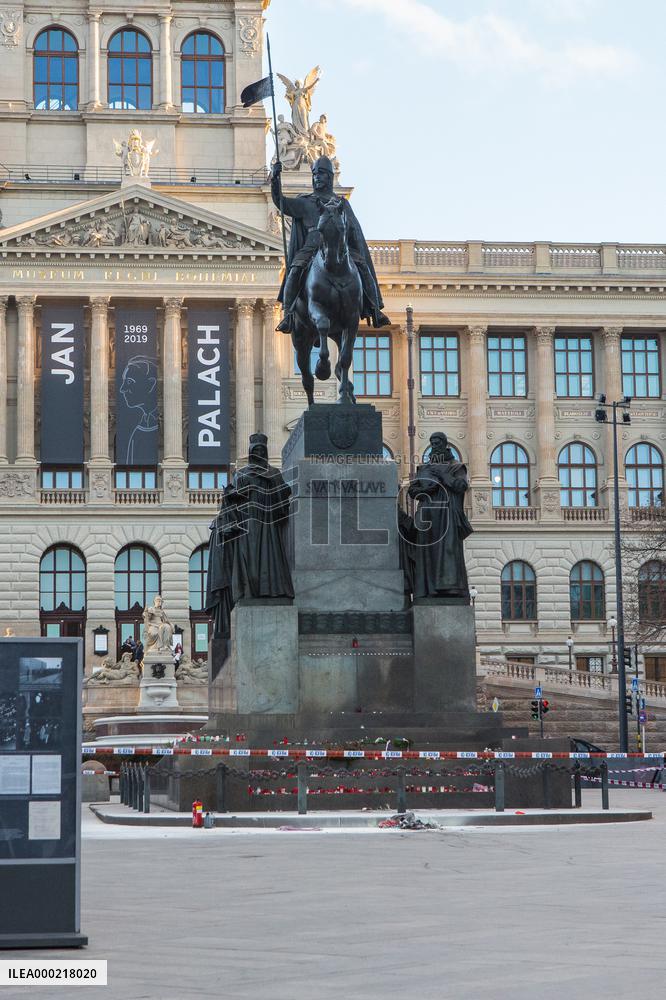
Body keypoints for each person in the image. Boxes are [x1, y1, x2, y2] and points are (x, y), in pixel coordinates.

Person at [271, 156, 390, 335]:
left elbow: (354, 230)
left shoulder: (342, 203)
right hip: (312, 248)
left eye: (321, 174)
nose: (317, 178)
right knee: (294, 270)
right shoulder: (305, 202)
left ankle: (374, 309)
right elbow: (280, 201)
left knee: (363, 268)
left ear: (329, 177)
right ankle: (288, 314)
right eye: (315, 175)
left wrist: (353, 248)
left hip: (341, 248)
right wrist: (275, 178)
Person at [407, 432, 473, 599]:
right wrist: (424, 491)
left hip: (446, 516)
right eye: (432, 443)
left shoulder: (456, 466)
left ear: (444, 444)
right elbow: (412, 490)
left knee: (447, 552)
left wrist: (443, 476)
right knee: (427, 554)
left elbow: (461, 486)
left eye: (437, 443)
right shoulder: (423, 468)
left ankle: (449, 589)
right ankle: (426, 590)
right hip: (427, 515)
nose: (434, 446)